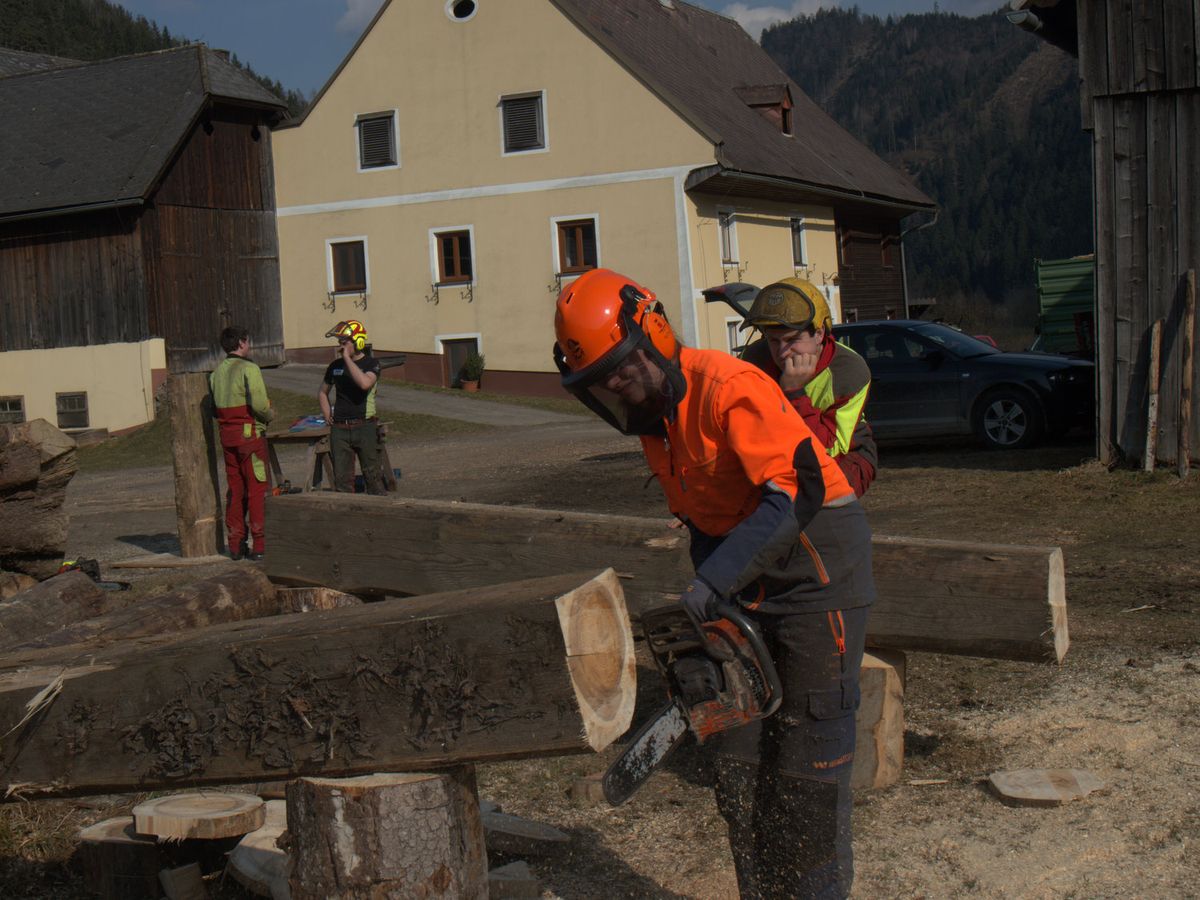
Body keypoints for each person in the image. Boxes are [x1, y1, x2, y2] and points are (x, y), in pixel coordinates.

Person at [553, 268, 875, 899]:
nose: (617, 387)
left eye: (621, 370)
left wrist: (711, 586)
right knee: (739, 766)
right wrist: (714, 597)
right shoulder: (656, 422)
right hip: (749, 574)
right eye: (600, 382)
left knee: (807, 771)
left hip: (817, 571)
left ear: (653, 336)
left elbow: (797, 494)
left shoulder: (728, 387)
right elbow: (703, 517)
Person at [738, 277, 878, 497]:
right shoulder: (753, 361)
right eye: (773, 341)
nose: (783, 352)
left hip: (845, 457)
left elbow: (827, 451)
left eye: (792, 340)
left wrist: (794, 393)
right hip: (776, 453)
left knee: (822, 494)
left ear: (819, 334)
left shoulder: (849, 371)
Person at [209, 325, 274, 561]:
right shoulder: (249, 369)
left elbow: (214, 410)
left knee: (236, 490)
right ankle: (260, 545)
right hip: (250, 435)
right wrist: (270, 415)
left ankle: (235, 544)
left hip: (227, 437)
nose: (249, 345)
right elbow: (260, 405)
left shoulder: (215, 374)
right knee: (257, 489)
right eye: (248, 341)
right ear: (242, 342)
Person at [318, 319, 386, 495]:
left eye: (345, 341)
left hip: (365, 426)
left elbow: (364, 383)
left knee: (373, 477)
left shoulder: (372, 363)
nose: (340, 345)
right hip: (340, 428)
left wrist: (347, 358)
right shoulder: (335, 366)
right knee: (342, 481)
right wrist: (327, 414)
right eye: (339, 341)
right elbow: (323, 392)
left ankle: (378, 507)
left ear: (358, 341)